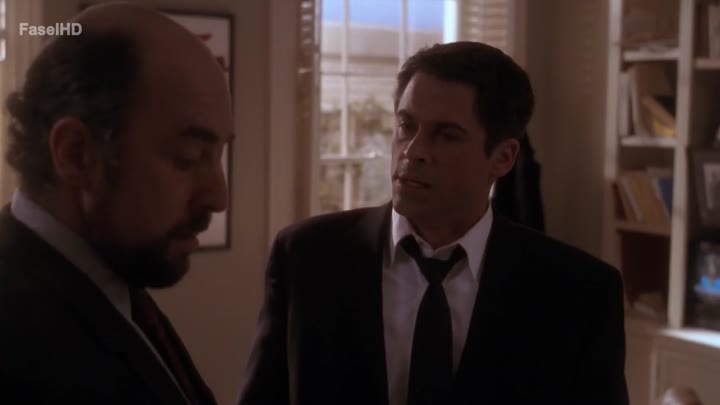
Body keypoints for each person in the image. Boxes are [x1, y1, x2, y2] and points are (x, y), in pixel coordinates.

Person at [239, 41, 628, 405]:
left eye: (446, 135)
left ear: (503, 158)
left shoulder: (578, 291)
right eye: (406, 126)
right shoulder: (307, 257)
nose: (413, 151)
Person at [0, 3, 233, 404]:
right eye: (189, 158)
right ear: (76, 154)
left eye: (218, 156)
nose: (218, 197)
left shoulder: (112, 283)